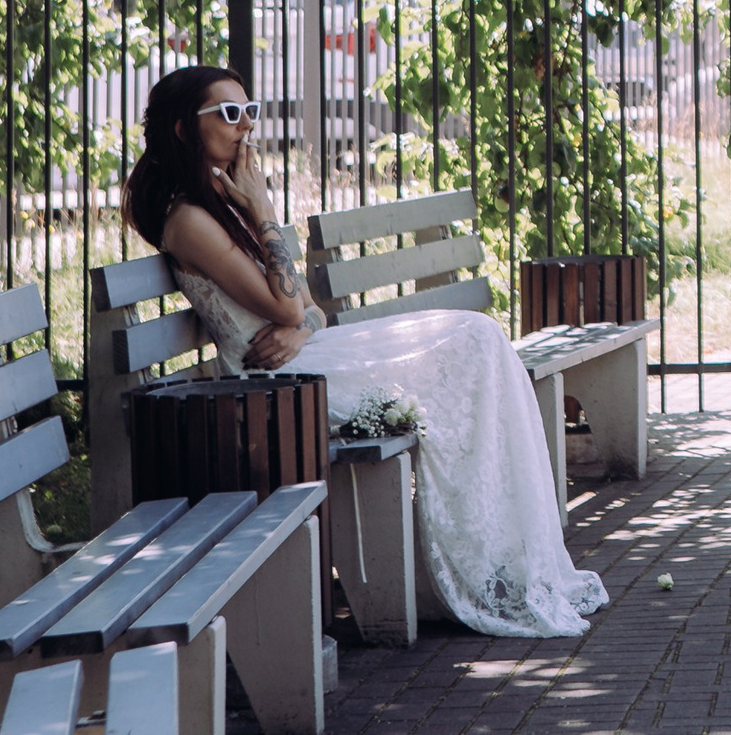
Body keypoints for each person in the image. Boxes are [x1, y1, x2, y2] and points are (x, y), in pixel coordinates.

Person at [124, 64, 609, 639]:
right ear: (183, 129)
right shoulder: (188, 220)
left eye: (250, 111)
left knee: (479, 337)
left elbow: (308, 310)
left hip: (306, 355)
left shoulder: (222, 203)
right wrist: (265, 215)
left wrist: (299, 323)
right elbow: (285, 307)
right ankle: (479, 571)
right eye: (229, 114)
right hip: (273, 383)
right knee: (476, 342)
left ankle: (503, 564)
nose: (245, 127)